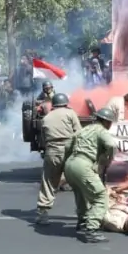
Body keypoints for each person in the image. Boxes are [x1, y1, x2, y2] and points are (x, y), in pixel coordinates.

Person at [63, 107, 117, 243]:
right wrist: (107, 158)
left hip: (70, 164)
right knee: (100, 196)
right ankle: (91, 229)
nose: (110, 125)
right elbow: (111, 145)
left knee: (81, 194)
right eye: (110, 122)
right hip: (83, 164)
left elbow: (67, 146)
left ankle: (82, 222)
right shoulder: (101, 130)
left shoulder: (84, 129)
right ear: (105, 121)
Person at [36, 93, 82, 225]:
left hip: (52, 151)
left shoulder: (46, 117)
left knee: (48, 183)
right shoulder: (70, 113)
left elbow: (43, 140)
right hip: (69, 151)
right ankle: (82, 215)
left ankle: (42, 213)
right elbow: (79, 133)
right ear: (65, 103)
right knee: (78, 182)